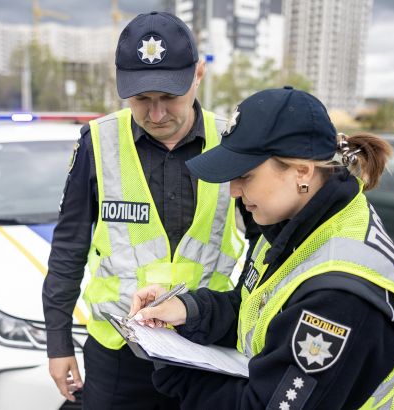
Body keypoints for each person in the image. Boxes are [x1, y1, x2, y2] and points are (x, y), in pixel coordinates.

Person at [129, 87, 394, 409]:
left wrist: (173, 369)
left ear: (302, 171)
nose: (233, 191)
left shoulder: (341, 299)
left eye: (245, 175)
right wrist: (189, 310)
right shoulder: (297, 222)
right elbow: (256, 309)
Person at [42, 11, 258, 409]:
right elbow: (69, 248)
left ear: (198, 75)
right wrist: (58, 343)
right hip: (118, 354)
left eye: (170, 97)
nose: (156, 114)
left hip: (204, 349)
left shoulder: (232, 143)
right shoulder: (97, 143)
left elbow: (265, 248)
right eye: (142, 99)